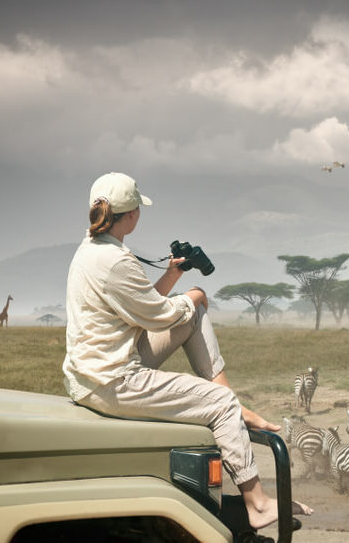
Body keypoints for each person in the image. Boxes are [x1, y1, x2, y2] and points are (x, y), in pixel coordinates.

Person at [62, 171, 312, 529]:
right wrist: (195, 295)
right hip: (114, 380)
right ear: (132, 215)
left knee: (191, 316)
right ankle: (257, 501)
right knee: (218, 394)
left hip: (92, 371)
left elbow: (140, 306)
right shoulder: (117, 261)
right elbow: (158, 316)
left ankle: (232, 405)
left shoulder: (91, 249)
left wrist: (173, 275)